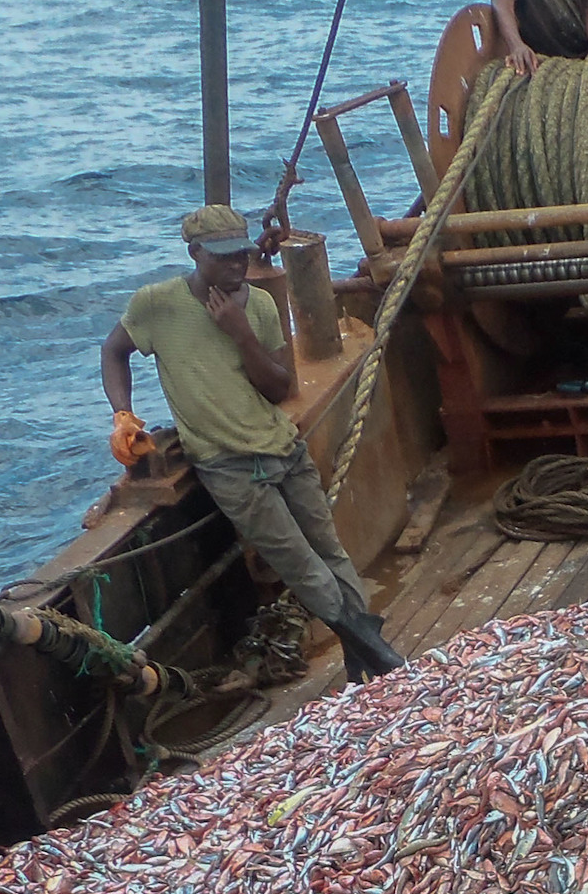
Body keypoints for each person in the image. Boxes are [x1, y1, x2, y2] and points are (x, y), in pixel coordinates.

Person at [101, 207, 405, 682]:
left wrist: (241, 335)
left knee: (331, 553)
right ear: (195, 253)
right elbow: (113, 351)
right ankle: (382, 657)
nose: (236, 264)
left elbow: (280, 389)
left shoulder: (259, 305)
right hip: (230, 466)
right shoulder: (156, 304)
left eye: (240, 253)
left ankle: (362, 656)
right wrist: (122, 413)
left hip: (285, 450)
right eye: (222, 256)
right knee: (301, 566)